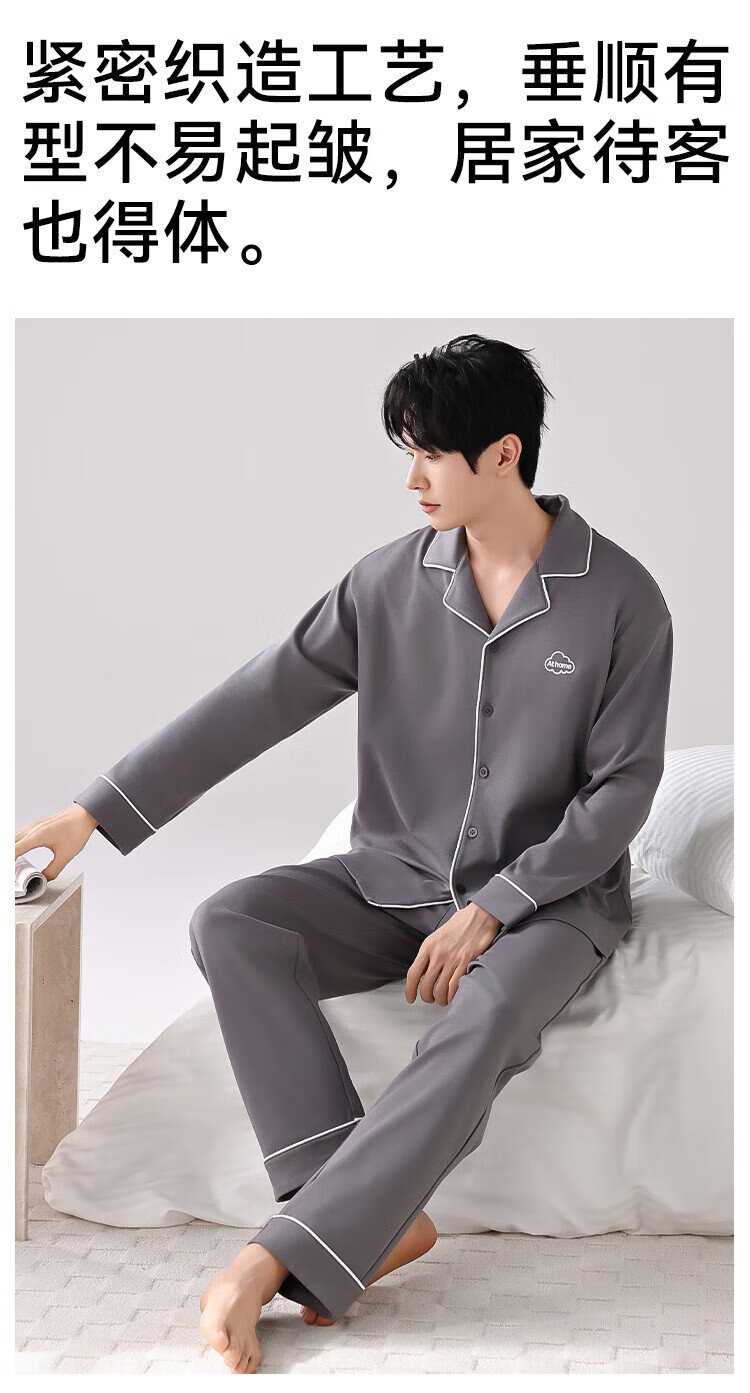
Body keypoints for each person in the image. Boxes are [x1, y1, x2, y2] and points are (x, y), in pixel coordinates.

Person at [15, 335, 674, 1375]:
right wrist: (91, 811)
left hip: (551, 903)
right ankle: (355, 1209)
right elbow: (256, 701)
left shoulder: (621, 598)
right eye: (408, 453)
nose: (413, 479)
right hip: (395, 875)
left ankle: (278, 1255)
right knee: (232, 919)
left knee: (486, 1016)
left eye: (431, 454)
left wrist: (496, 905)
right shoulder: (386, 583)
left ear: (504, 454)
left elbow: (623, 789)